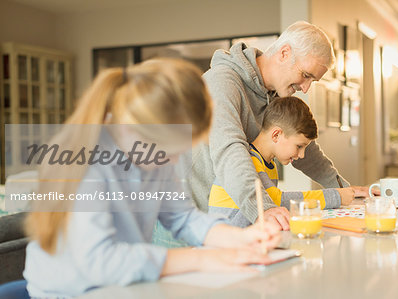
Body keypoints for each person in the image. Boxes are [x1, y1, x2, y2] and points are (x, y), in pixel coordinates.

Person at [23, 58, 280, 298]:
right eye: (170, 151)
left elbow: (183, 217)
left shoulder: (152, 151)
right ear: (131, 129)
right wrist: (202, 259)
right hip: (71, 291)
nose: (174, 162)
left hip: (125, 284)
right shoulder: (83, 161)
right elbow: (100, 261)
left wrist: (239, 238)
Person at [191, 20, 369, 231]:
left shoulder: (274, 95)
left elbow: (308, 152)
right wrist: (263, 210)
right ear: (284, 53)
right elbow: (229, 150)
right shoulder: (222, 83)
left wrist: (345, 190)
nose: (305, 88)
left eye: (312, 81)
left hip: (227, 225)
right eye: (305, 75)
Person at [209, 97, 354, 227]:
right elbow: (277, 202)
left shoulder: (269, 164)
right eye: (299, 146)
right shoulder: (249, 161)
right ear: (276, 134)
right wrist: (335, 196)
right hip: (227, 243)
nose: (302, 155)